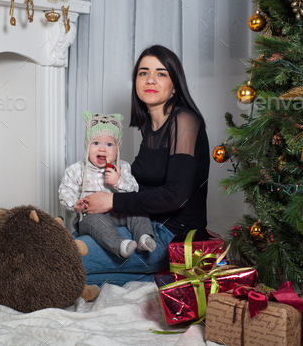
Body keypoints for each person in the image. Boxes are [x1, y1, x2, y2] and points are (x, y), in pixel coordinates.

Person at [77, 45, 210, 286]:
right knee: (72, 245)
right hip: (142, 223)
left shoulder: (185, 121)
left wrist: (112, 202)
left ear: (175, 86)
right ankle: (150, 277)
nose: (150, 79)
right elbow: (141, 186)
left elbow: (176, 196)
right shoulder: (150, 126)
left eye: (161, 73)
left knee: (68, 260)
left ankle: (158, 271)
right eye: (143, 72)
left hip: (171, 236)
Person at [59, 111, 157, 259]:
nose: (102, 149)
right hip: (90, 216)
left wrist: (119, 182)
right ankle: (120, 245)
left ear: (117, 149)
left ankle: (144, 237)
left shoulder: (122, 167)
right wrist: (74, 204)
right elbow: (65, 190)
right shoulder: (77, 170)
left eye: (109, 144)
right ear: (87, 146)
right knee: (97, 222)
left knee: (139, 212)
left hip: (118, 213)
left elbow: (134, 190)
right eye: (96, 143)